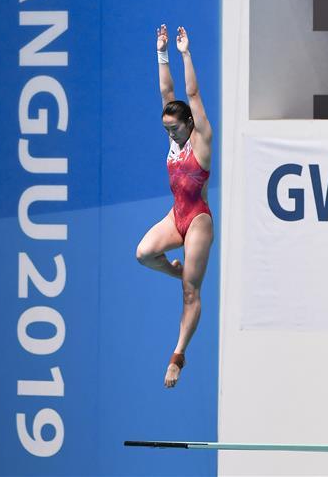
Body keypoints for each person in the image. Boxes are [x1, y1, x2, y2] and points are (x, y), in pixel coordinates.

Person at [136, 24, 214, 388]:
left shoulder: (200, 139)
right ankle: (174, 270)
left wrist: (185, 53)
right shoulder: (173, 138)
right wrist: (161, 52)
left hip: (197, 220)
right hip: (176, 214)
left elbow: (191, 93)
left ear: (189, 124)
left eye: (175, 127)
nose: (170, 133)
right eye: (166, 128)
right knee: (144, 253)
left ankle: (178, 355)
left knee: (190, 292)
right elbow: (167, 92)